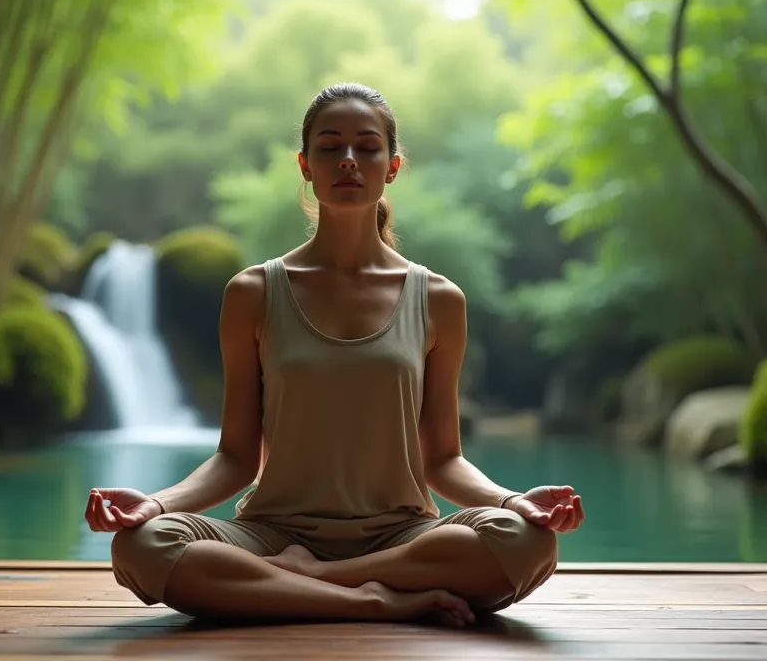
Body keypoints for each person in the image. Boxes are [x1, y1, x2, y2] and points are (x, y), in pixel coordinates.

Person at [83, 82, 585, 628]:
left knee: (526, 542)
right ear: (305, 164)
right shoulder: (253, 293)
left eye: (367, 147)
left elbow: (442, 460)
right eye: (330, 147)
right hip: (273, 533)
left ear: (392, 166)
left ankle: (303, 584)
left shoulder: (439, 299)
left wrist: (513, 502)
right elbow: (235, 458)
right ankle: (371, 601)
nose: (348, 160)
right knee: (143, 547)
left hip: (402, 535)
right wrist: (154, 506)